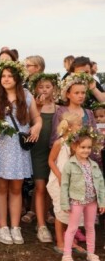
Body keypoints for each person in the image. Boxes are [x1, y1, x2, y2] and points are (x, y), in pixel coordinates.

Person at [0, 60, 42, 245]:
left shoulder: (27, 96)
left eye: (10, 76)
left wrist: (37, 126)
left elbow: (36, 117)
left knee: (16, 188)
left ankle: (15, 227)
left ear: (17, 78)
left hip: (18, 148)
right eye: (3, 76)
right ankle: (2, 227)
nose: (6, 79)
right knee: (0, 188)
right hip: (0, 146)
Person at [60, 127, 105, 261]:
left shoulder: (94, 165)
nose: (86, 150)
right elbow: (64, 185)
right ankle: (67, 254)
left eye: (89, 147)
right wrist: (64, 202)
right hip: (77, 202)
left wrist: (102, 202)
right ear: (74, 147)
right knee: (72, 228)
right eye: (83, 147)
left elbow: (101, 185)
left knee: (90, 227)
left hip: (91, 201)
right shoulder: (70, 165)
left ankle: (90, 253)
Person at [27, 73, 59, 243]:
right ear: (36, 89)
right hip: (38, 151)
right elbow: (29, 124)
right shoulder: (33, 106)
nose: (45, 90)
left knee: (48, 186)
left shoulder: (59, 108)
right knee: (40, 186)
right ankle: (41, 225)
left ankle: (45, 214)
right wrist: (37, 107)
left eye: (48, 86)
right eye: (41, 87)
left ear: (53, 88)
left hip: (53, 152)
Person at [47, 112, 84, 254]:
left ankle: (71, 241)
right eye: (79, 124)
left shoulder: (77, 143)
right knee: (61, 211)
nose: (81, 127)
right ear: (70, 127)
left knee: (72, 212)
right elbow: (51, 161)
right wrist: (60, 177)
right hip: (60, 182)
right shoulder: (59, 143)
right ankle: (61, 242)